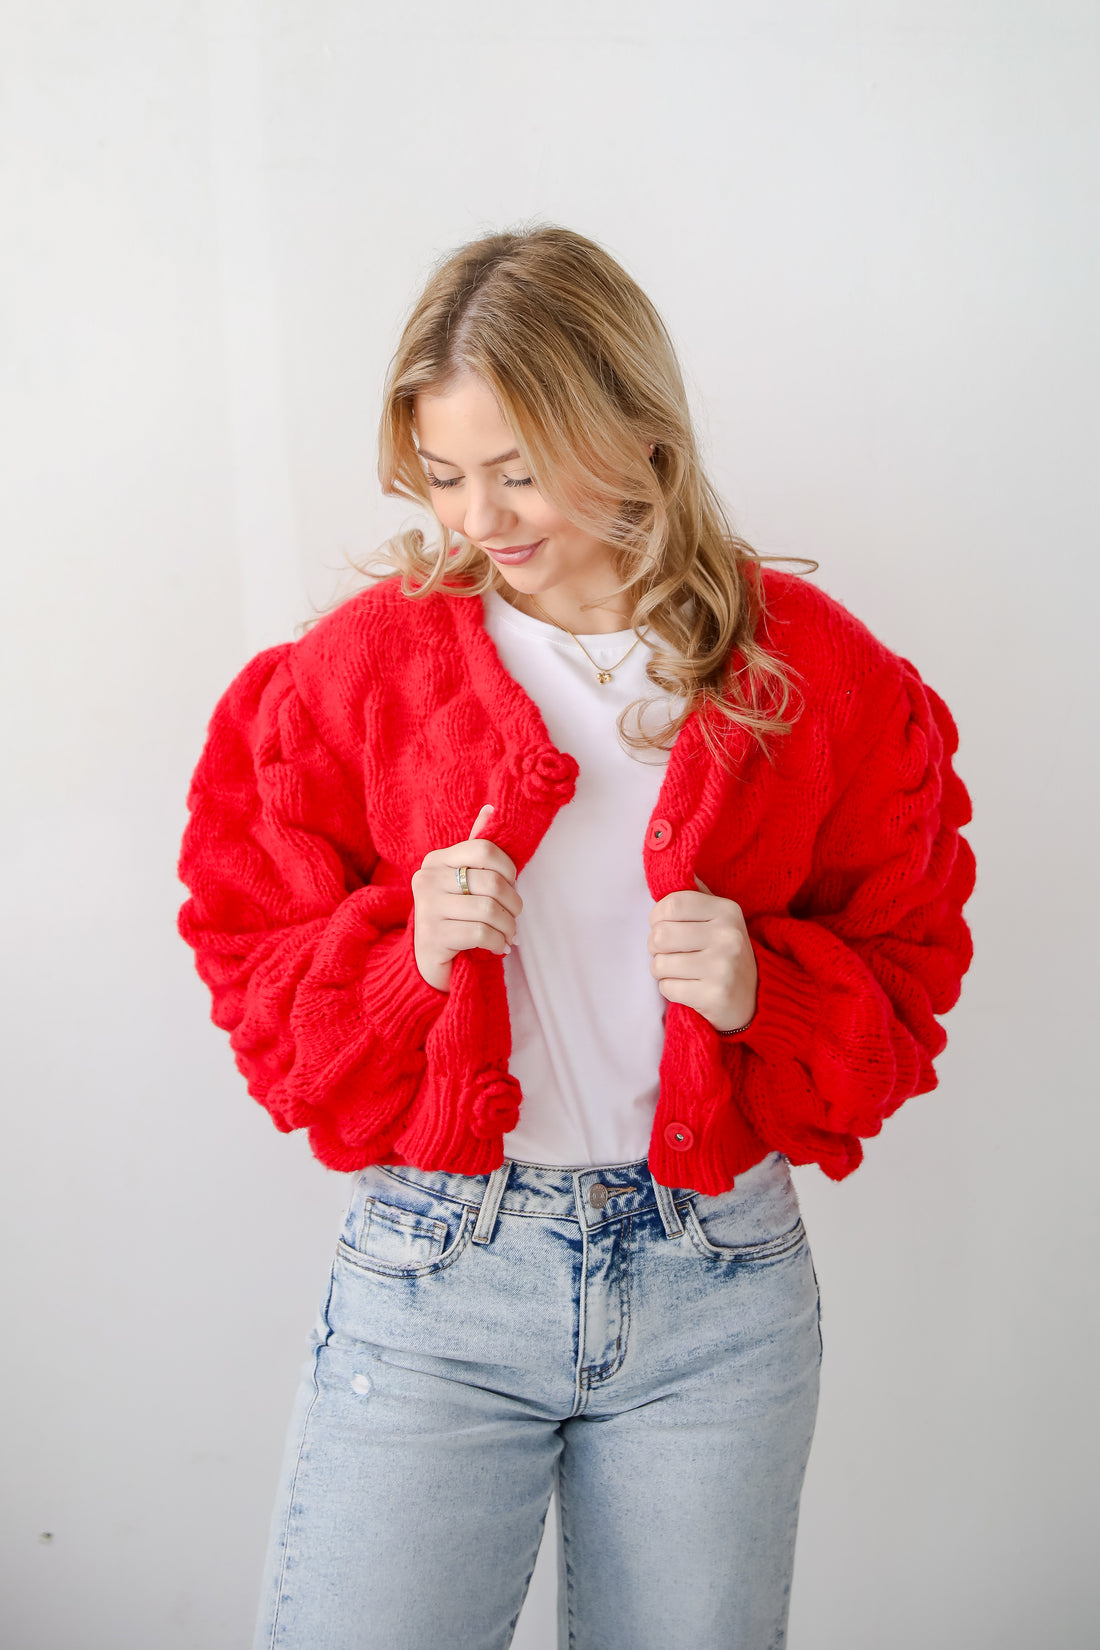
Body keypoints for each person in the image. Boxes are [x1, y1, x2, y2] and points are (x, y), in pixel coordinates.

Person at [177, 225, 976, 1650]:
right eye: (444, 474)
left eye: (520, 468)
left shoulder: (808, 674)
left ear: (634, 432)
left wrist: (766, 991)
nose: (481, 514)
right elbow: (254, 950)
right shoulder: (362, 672)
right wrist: (400, 956)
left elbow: (907, 966)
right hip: (438, 1281)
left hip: (716, 1293)